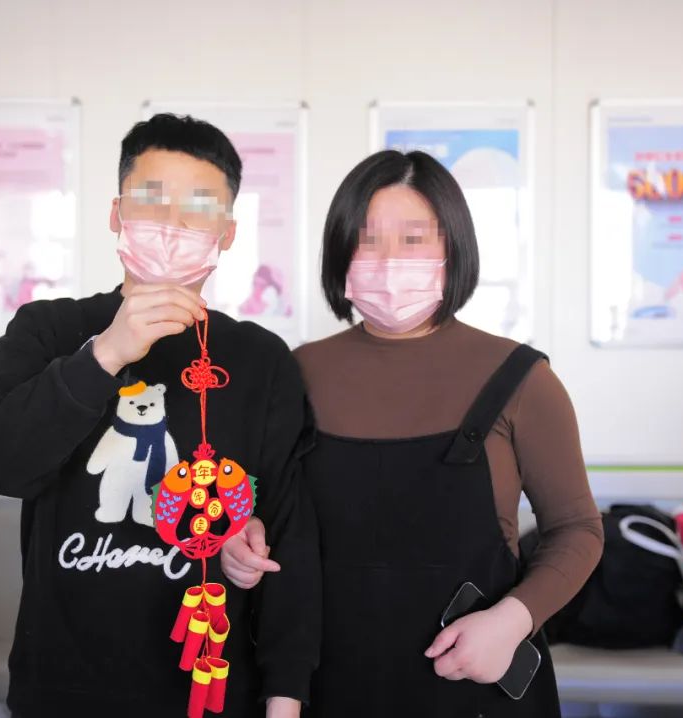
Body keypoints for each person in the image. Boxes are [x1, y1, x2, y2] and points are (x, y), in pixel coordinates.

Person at [222, 150, 604, 716]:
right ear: (340, 252)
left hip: (477, 684)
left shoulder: (522, 379)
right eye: (368, 239)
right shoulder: (297, 374)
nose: (389, 260)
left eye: (413, 239)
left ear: (453, 247)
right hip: (325, 686)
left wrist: (511, 620)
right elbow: (266, 518)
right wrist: (240, 540)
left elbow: (577, 529)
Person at [0, 114, 319, 718]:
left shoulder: (260, 359)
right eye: (151, 200)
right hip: (62, 692)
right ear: (116, 214)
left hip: (212, 692)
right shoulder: (49, 330)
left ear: (228, 232)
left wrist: (285, 697)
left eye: (199, 207)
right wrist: (103, 356)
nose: (173, 223)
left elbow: (290, 537)